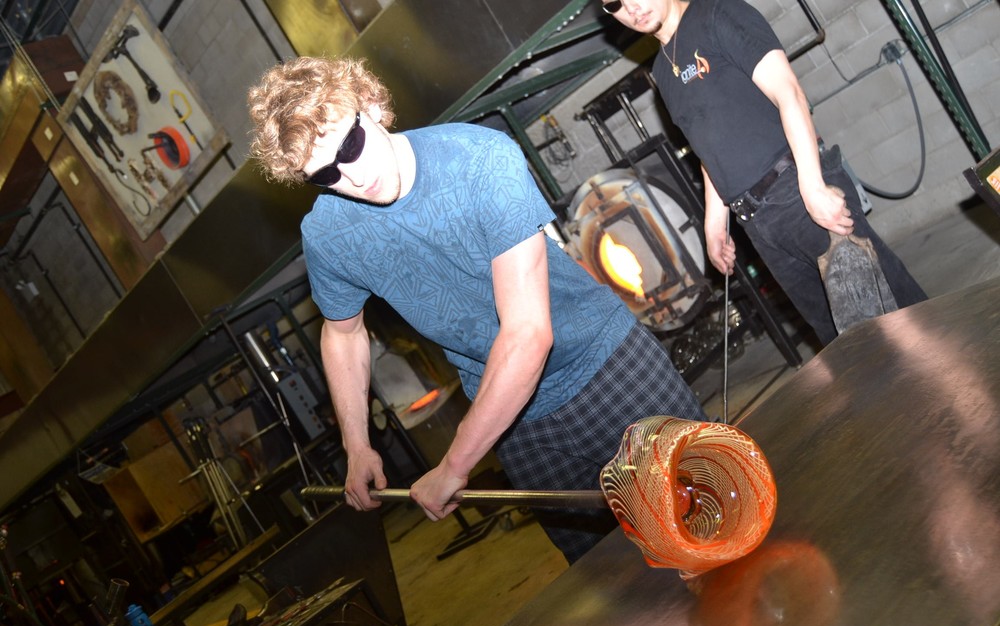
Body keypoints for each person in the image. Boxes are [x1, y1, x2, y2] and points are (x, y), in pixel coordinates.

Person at [247, 56, 706, 563]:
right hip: (513, 422)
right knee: (605, 571)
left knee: (709, 511)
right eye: (326, 174)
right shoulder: (328, 235)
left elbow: (528, 334)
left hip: (608, 367)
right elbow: (342, 334)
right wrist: (356, 445)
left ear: (371, 105)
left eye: (349, 146)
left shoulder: (481, 160)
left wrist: (455, 464)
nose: (351, 176)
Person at [603, 0, 926, 345]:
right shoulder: (662, 71)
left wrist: (813, 187)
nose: (631, 7)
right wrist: (715, 224)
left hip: (796, 191)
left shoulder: (717, 13)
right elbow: (708, 147)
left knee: (891, 318)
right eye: (615, 3)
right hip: (757, 224)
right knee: (841, 343)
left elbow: (788, 92)